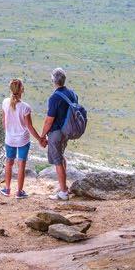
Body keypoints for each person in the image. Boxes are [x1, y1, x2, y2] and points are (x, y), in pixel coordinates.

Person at [41, 67, 82, 200]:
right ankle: (63, 187)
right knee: (61, 156)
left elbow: (49, 120)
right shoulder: (73, 94)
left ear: (53, 80)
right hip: (67, 131)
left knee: (58, 161)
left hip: (56, 132)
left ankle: (63, 192)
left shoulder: (54, 97)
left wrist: (42, 135)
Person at [0, 77, 38, 199]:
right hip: (23, 140)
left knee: (9, 163)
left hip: (10, 139)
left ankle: (7, 189)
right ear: (22, 90)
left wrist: (8, 132)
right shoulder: (25, 107)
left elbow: (3, 121)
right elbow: (29, 127)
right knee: (21, 165)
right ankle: (19, 192)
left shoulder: (5, 102)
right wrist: (40, 139)